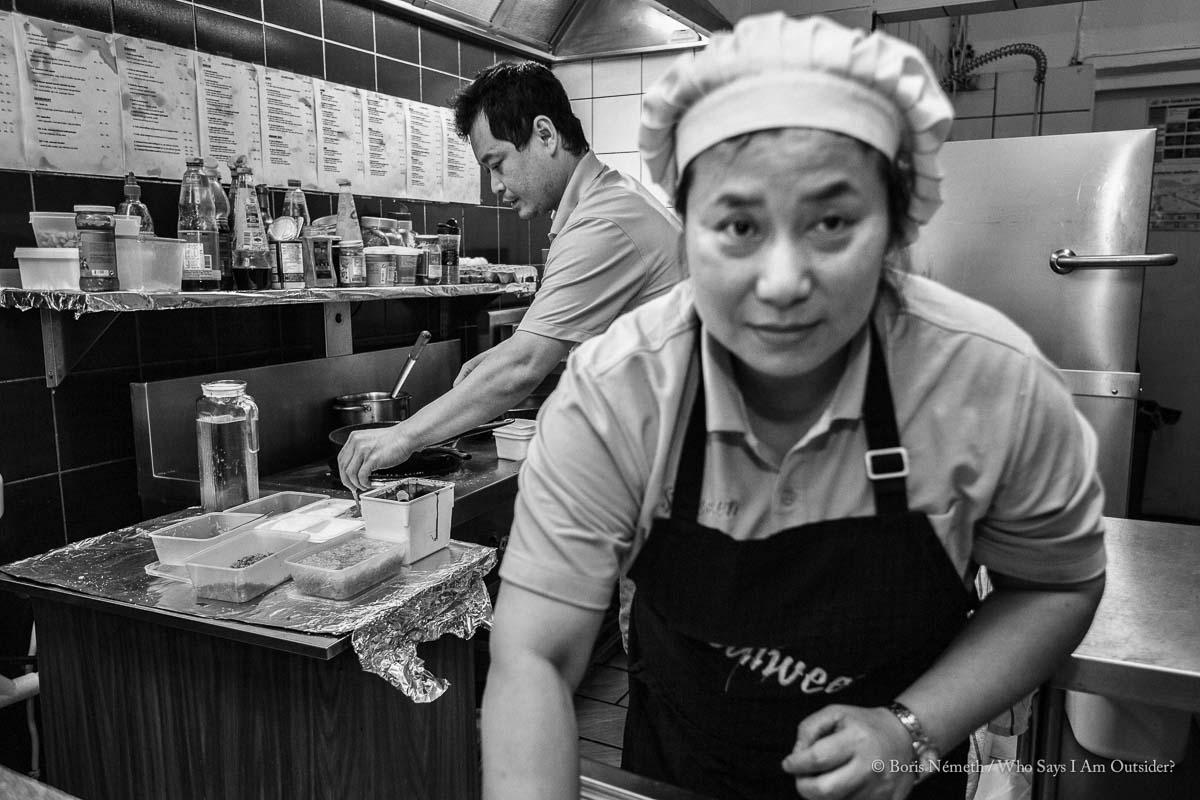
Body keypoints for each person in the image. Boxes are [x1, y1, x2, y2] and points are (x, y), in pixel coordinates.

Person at [481, 13, 1106, 800]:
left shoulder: (989, 383)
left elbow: (1054, 584)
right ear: (689, 228)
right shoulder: (617, 393)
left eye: (831, 222)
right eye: (739, 224)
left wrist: (912, 729)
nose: (781, 283)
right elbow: (534, 655)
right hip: (685, 765)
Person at [338, 62, 685, 491]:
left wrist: (401, 436)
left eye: (497, 163)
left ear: (545, 134)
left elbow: (523, 367)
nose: (495, 186)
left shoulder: (602, 222)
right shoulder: (608, 200)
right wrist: (506, 358)